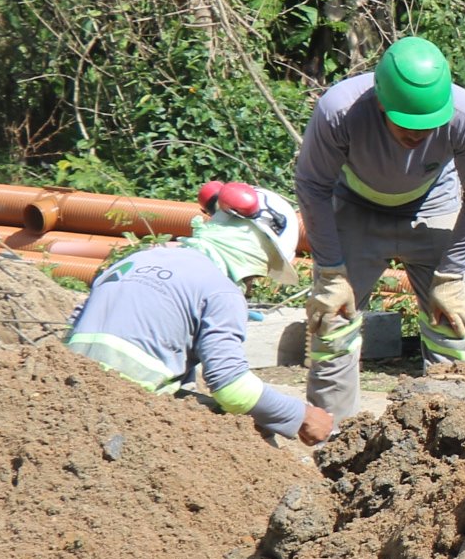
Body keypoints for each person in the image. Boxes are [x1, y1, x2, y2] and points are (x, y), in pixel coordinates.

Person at [296, 35, 465, 417]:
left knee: (452, 323)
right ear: (381, 103)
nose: (418, 135)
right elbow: (313, 185)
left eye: (428, 125)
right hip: (356, 208)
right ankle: (331, 437)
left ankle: (443, 439)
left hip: (434, 206)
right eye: (407, 125)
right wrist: (330, 272)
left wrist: (452, 276)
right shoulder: (340, 111)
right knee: (332, 320)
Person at [64, 182, 336, 444]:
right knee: (251, 428)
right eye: (262, 270)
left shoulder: (137, 259)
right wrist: (302, 415)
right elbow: (231, 387)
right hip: (126, 411)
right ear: (257, 249)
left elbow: (75, 324)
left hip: (68, 394)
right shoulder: (221, 290)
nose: (253, 282)